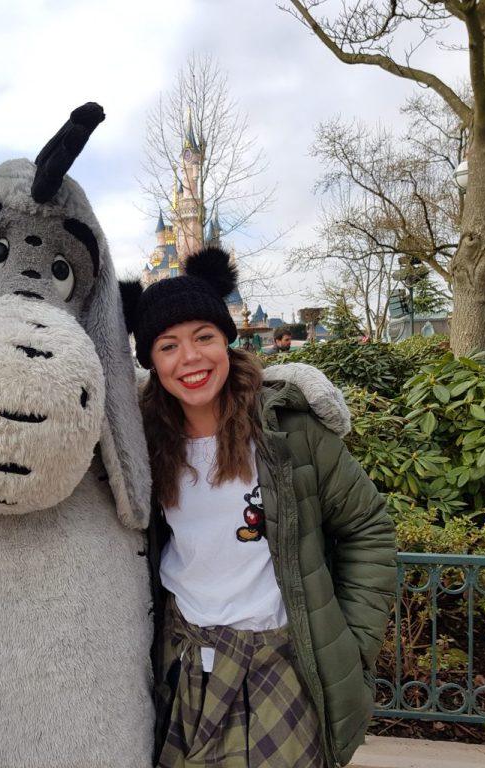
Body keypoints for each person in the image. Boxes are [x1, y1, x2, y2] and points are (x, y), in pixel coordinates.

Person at [122, 247, 396, 768]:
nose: (191, 358)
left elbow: (367, 528)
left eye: (204, 337)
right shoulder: (145, 449)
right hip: (186, 665)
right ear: (151, 362)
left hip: (282, 665)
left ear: (226, 339)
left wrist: (352, 644)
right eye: (168, 345)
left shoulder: (290, 432)